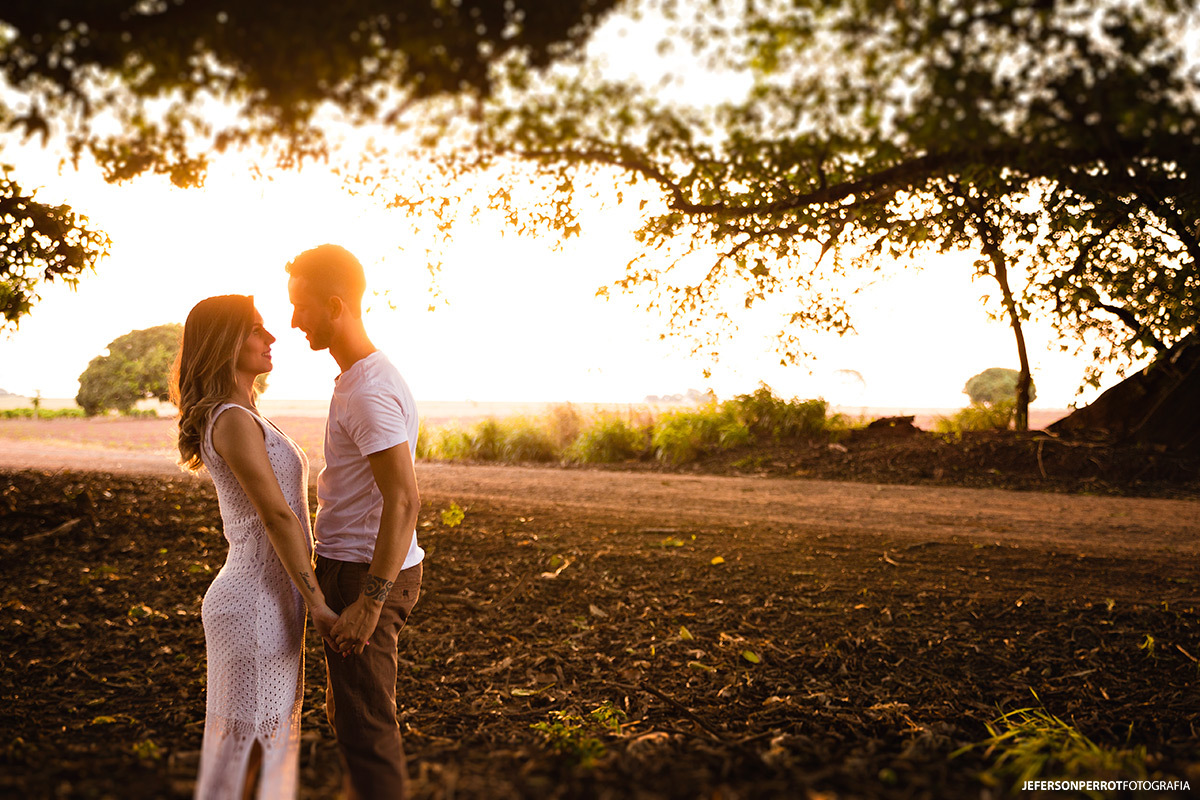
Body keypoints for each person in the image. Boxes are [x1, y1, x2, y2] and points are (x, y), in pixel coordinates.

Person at [171, 294, 338, 800]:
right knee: (249, 751)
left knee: (261, 747)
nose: (271, 338)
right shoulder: (232, 419)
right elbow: (277, 515)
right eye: (256, 329)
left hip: (271, 600)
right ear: (225, 341)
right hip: (252, 604)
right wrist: (317, 602)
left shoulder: (246, 413)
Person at [285, 245, 424, 799]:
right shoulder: (359, 378)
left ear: (335, 305)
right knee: (351, 716)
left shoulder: (368, 391)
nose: (293, 321)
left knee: (367, 730)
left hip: (364, 572)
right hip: (353, 569)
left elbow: (405, 501)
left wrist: (369, 603)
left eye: (301, 307)